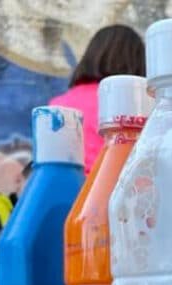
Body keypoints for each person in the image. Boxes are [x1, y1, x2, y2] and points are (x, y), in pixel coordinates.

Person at [49, 24, 145, 173]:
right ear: (139, 62)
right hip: (117, 189)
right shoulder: (139, 106)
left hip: (71, 193)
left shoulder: (57, 106)